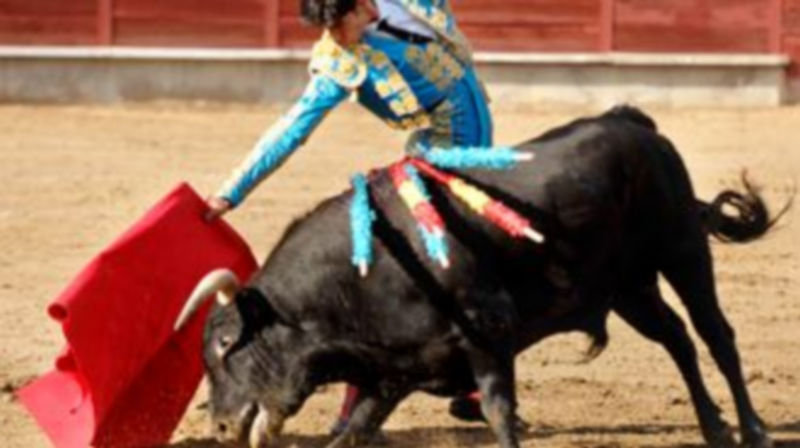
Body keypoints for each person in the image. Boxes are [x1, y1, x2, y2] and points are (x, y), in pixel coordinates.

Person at [204, 0, 498, 432]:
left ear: (363, 6)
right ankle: (367, 405)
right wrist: (231, 193)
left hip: (463, 145)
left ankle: (473, 381)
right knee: (448, 271)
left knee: (464, 266)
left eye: (340, 24)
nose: (335, 37)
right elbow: (291, 129)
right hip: (444, 153)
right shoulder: (337, 63)